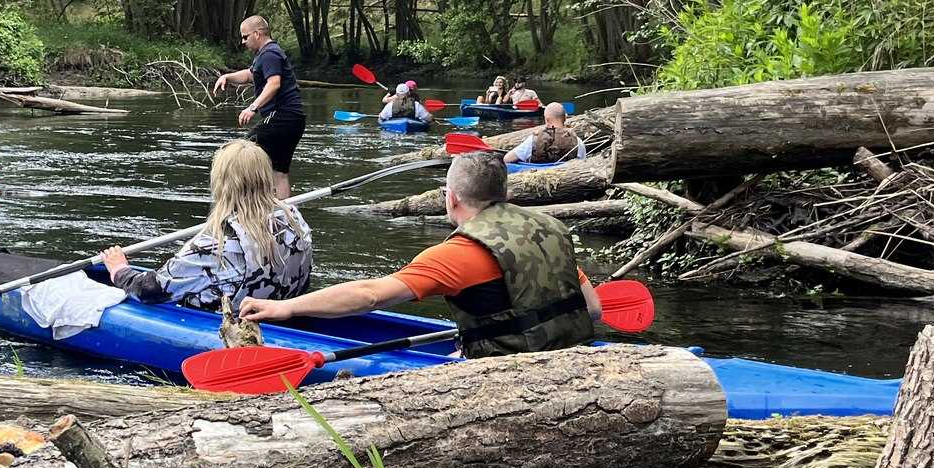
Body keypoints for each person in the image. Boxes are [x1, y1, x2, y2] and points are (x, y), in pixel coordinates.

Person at [240, 151, 598, 357]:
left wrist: (285, 307)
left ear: (452, 197)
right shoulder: (549, 228)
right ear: (503, 192)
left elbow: (368, 296)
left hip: (512, 368)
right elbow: (593, 310)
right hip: (571, 355)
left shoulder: (460, 254)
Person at [99, 139, 312, 309]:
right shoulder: (293, 218)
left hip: (233, 325)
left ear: (220, 183)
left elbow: (150, 290)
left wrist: (120, 270)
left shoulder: (214, 245)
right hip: (282, 312)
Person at [212, 14, 304, 199]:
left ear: (257, 33)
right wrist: (227, 77)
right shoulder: (267, 53)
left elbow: (274, 83)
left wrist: (252, 107)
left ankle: (243, 203)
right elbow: (249, 75)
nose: (243, 41)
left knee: (239, 154)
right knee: (279, 170)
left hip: (281, 117)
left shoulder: (269, 53)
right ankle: (284, 212)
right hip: (294, 119)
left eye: (245, 36)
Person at [505, 102, 587, 165]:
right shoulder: (578, 142)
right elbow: (582, 164)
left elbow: (507, 159)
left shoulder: (534, 139)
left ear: (546, 119)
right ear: (565, 118)